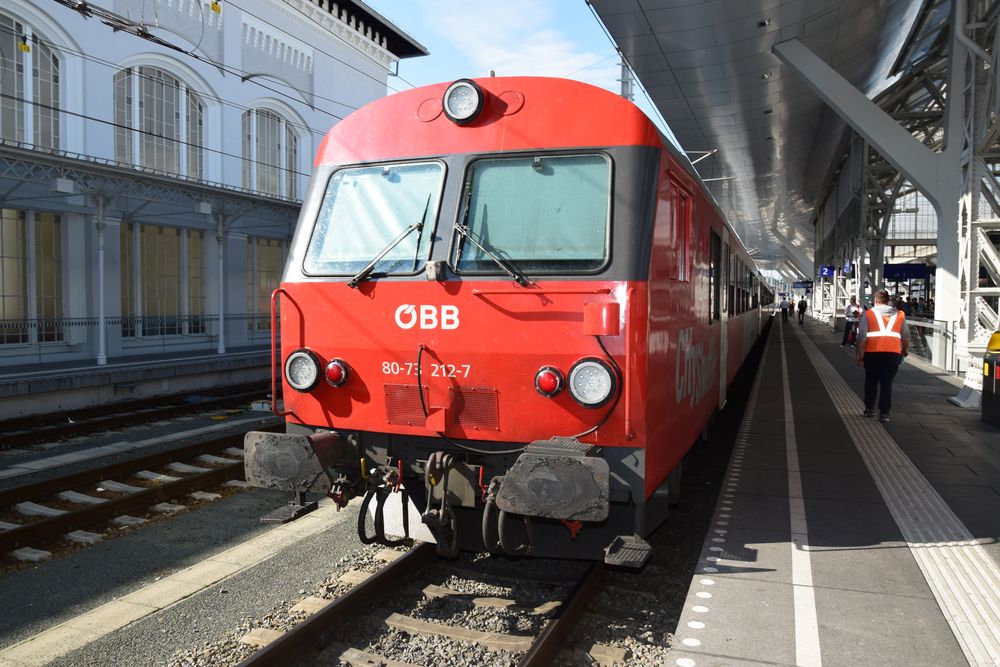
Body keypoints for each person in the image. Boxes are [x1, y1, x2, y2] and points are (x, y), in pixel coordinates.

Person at [855, 289, 909, 423]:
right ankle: (884, 413)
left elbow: (862, 336)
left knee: (871, 381)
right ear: (887, 301)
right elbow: (906, 335)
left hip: (872, 352)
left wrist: (859, 354)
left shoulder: (868, 314)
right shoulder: (900, 314)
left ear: (876, 301)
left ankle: (869, 409)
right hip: (892, 353)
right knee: (886, 383)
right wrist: (905, 350)